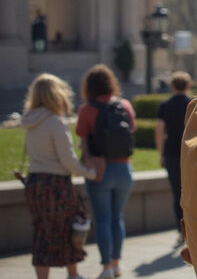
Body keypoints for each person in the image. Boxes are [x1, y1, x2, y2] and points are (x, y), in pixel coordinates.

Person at [21, 73, 97, 279]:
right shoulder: (54, 122)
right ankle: (73, 275)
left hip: (35, 183)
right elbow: (68, 161)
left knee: (41, 232)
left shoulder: (30, 121)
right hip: (56, 184)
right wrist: (90, 172)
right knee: (66, 229)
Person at [76, 64, 136, 279]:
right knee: (117, 218)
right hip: (124, 169)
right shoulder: (125, 105)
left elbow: (83, 142)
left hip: (100, 170)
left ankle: (106, 267)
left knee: (102, 219)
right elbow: (132, 131)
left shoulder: (86, 109)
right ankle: (118, 264)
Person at [155, 71, 192, 243]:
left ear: (172, 86)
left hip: (170, 153)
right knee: (191, 192)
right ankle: (193, 229)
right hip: (189, 154)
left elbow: (159, 130)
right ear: (188, 86)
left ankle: (181, 230)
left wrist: (160, 153)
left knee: (177, 193)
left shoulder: (165, 105)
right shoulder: (192, 104)